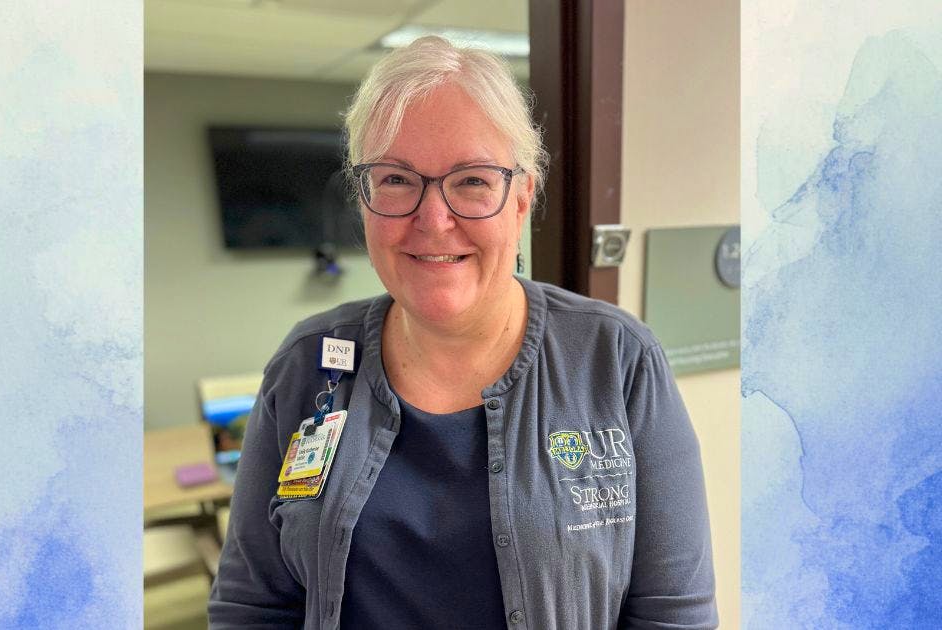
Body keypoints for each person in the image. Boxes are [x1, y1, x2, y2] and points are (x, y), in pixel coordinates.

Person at [208, 36, 717, 629]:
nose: (433, 220)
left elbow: (673, 615)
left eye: (473, 180)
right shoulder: (308, 363)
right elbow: (251, 606)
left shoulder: (618, 360)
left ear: (522, 198)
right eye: (396, 179)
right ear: (363, 200)